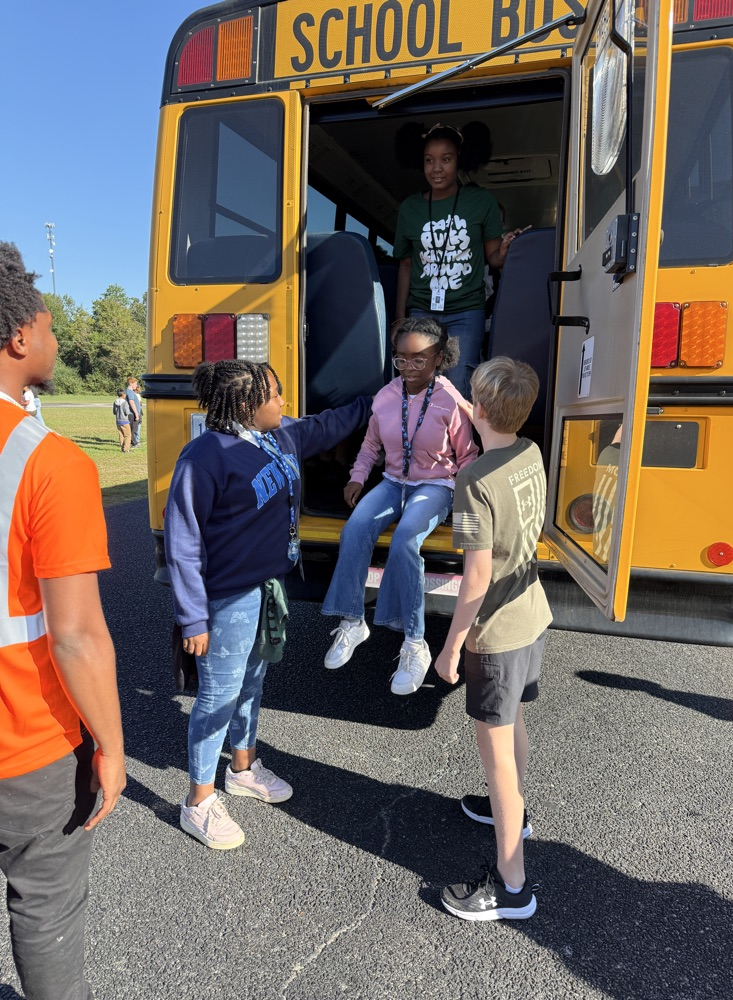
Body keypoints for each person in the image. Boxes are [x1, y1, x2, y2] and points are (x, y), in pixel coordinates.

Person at [164, 359, 370, 850]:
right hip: (226, 597)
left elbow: (325, 426)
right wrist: (192, 618)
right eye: (275, 395)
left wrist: (378, 399)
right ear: (246, 404)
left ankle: (242, 768)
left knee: (252, 684)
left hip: (266, 588)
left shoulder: (277, 437)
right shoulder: (204, 457)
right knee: (218, 695)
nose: (284, 402)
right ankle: (198, 801)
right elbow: (182, 543)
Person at [0, 242, 126, 997]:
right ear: (20, 337)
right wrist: (110, 745)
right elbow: (77, 635)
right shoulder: (51, 463)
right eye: (50, 326)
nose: (55, 338)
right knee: (45, 906)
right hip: (25, 742)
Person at [434, 356, 552, 921]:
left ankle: (512, 888)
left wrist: (452, 644)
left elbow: (476, 578)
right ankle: (514, 815)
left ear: (480, 410)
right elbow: (495, 427)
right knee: (514, 723)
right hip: (531, 613)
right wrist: (470, 405)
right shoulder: (529, 452)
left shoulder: (472, 481)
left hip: (497, 632)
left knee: (496, 758)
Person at [321, 316, 478, 695]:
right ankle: (353, 621)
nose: (408, 367)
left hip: (436, 484)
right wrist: (358, 476)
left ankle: (415, 642)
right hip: (393, 482)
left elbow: (467, 456)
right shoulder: (386, 397)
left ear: (439, 358)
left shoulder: (450, 401)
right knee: (354, 529)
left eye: (418, 359)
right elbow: (371, 445)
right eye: (401, 359)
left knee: (406, 538)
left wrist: (467, 500)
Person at [392, 121, 530, 399]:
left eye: (446, 159)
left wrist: (506, 250)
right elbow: (406, 265)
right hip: (422, 310)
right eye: (429, 160)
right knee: (417, 382)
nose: (436, 168)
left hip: (466, 312)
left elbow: (494, 259)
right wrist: (399, 319)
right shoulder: (410, 208)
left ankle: (457, 430)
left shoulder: (481, 201)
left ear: (460, 160)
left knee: (457, 384)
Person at [113, 388, 131, 452]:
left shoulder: (115, 402)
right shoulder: (125, 402)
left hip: (118, 420)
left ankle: (122, 447)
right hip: (124, 420)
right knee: (128, 435)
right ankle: (126, 449)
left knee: (121, 434)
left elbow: (114, 412)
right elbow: (127, 412)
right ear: (123, 395)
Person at [125, 375, 141, 447]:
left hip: (133, 413)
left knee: (134, 428)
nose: (136, 385)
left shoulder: (130, 391)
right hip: (132, 414)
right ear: (131, 383)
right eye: (135, 383)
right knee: (133, 429)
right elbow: (131, 402)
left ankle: (133, 442)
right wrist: (136, 414)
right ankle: (133, 443)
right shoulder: (130, 391)